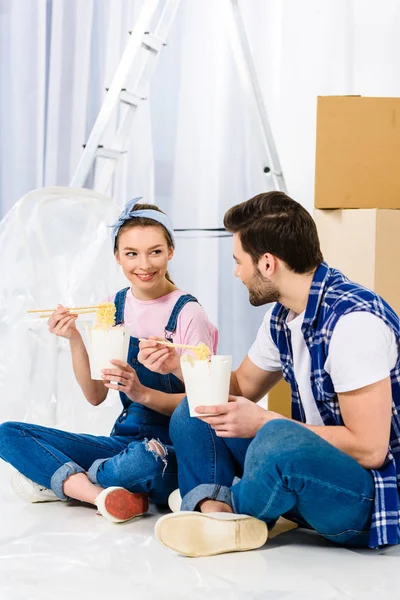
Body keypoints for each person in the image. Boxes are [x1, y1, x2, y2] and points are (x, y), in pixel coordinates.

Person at [154, 191, 400, 556]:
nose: (237, 272)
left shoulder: (354, 324)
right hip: (313, 470)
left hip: (365, 494)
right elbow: (241, 387)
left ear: (267, 263)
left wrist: (266, 423)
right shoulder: (284, 317)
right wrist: (181, 364)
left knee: (277, 440)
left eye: (239, 262)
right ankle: (218, 515)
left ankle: (225, 505)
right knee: (198, 410)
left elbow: (371, 448)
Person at [0, 198, 217, 523]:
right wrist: (75, 337)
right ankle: (103, 495)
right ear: (117, 256)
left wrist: (142, 392)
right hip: (124, 440)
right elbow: (96, 395)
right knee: (9, 433)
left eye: (155, 251)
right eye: (132, 253)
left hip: (172, 447)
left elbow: (203, 404)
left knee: (141, 462)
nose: (144, 264)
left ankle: (68, 480)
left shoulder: (188, 313)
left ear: (170, 251)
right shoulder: (112, 308)